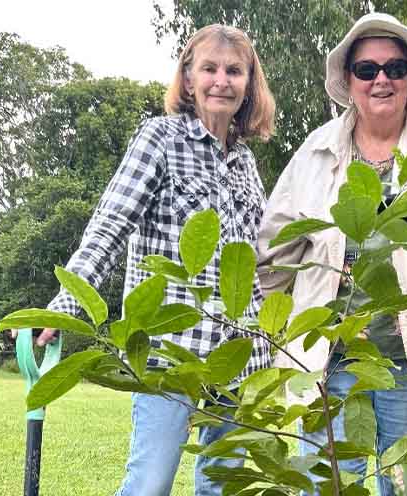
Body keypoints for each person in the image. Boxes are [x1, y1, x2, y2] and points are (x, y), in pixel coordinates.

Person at [40, 24, 276, 496]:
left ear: (249, 85)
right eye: (209, 69)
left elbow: (261, 261)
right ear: (188, 79)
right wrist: (65, 305)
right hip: (171, 351)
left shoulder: (246, 163)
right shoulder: (160, 138)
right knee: (149, 485)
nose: (221, 81)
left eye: (234, 71)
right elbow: (111, 225)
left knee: (224, 488)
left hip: (238, 359)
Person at [257, 12, 407, 496]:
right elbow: (275, 245)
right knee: (331, 481)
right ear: (349, 79)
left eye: (395, 68)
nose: (381, 79)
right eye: (367, 70)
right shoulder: (315, 151)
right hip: (330, 355)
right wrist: (272, 324)